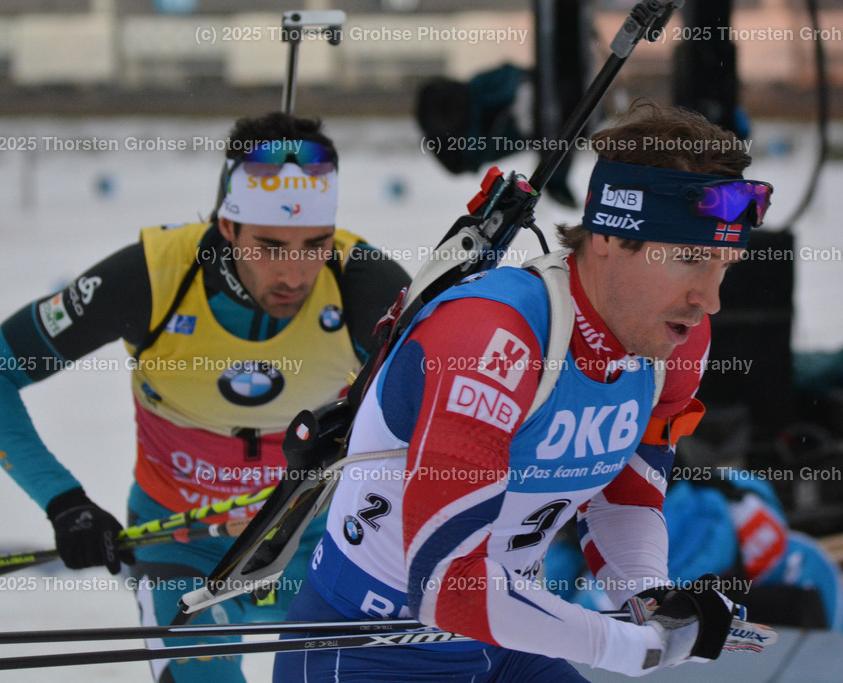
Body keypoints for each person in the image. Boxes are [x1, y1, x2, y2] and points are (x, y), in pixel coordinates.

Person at [273, 99, 774, 681]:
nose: (708, 299)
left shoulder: (675, 339)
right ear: (609, 237)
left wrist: (648, 602)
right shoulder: (493, 339)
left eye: (724, 266)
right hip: (374, 650)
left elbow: (627, 495)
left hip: (507, 639)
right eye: (689, 260)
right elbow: (447, 585)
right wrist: (626, 646)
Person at [0, 112, 410, 683]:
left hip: (319, 537)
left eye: (314, 244)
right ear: (228, 228)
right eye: (269, 247)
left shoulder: (365, 283)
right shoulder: (152, 277)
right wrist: (64, 502)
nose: (295, 274)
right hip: (184, 544)